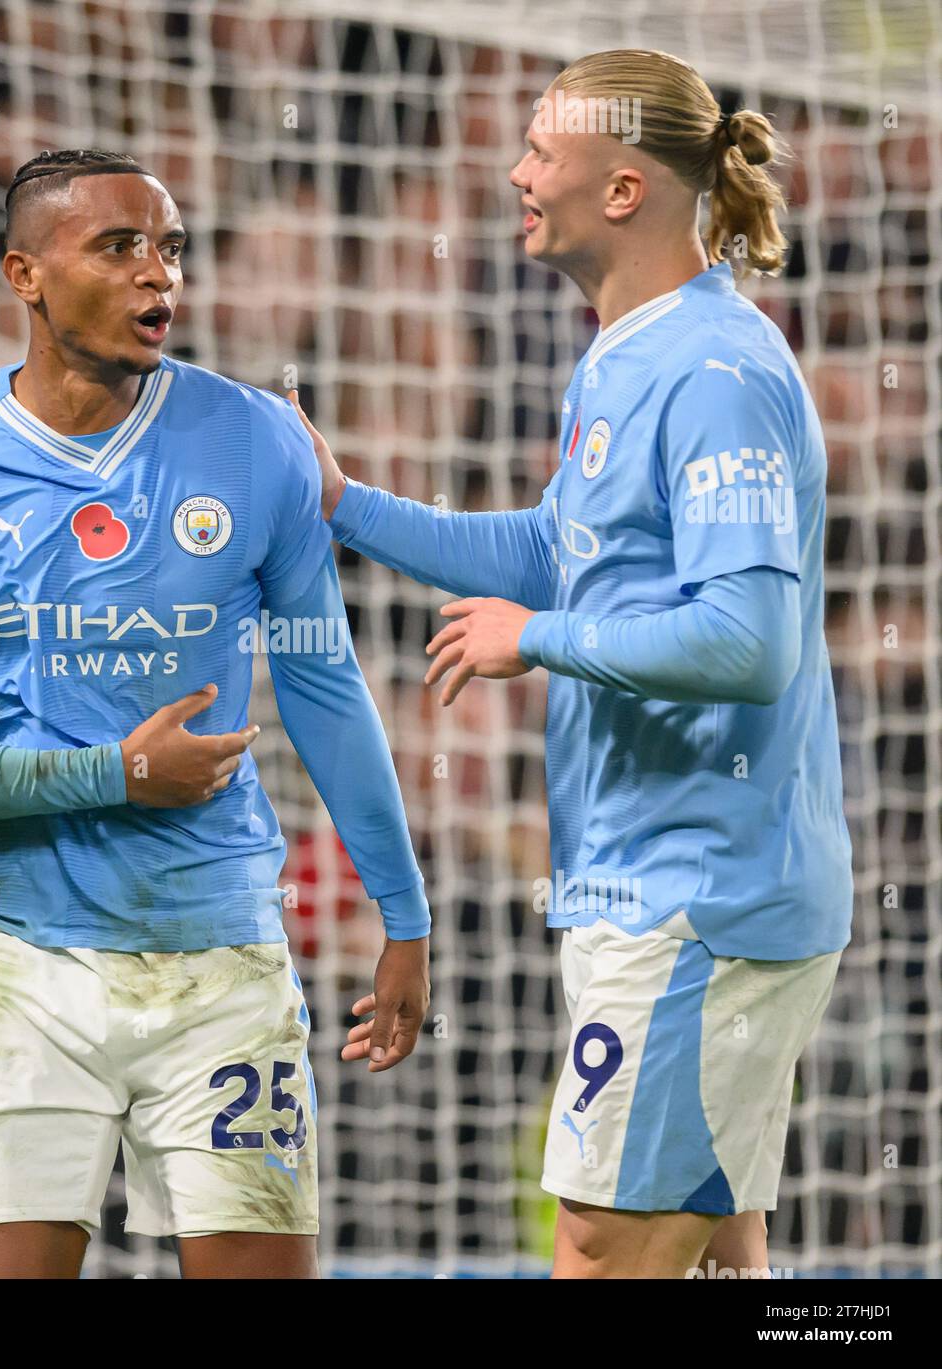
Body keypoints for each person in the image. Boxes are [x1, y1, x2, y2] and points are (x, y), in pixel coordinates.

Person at [0, 149, 431, 1279]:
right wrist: (116, 774)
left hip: (222, 959)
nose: (159, 277)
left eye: (171, 249)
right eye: (119, 246)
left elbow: (322, 682)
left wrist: (403, 907)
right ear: (25, 275)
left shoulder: (256, 442)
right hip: (11, 960)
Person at [290, 49, 852, 1279]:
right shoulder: (623, 354)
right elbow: (560, 548)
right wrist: (344, 505)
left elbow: (748, 644)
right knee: (721, 1267)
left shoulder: (716, 373)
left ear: (622, 189)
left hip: (702, 896)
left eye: (541, 150)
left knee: (595, 1250)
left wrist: (532, 640)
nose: (514, 174)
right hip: (663, 887)